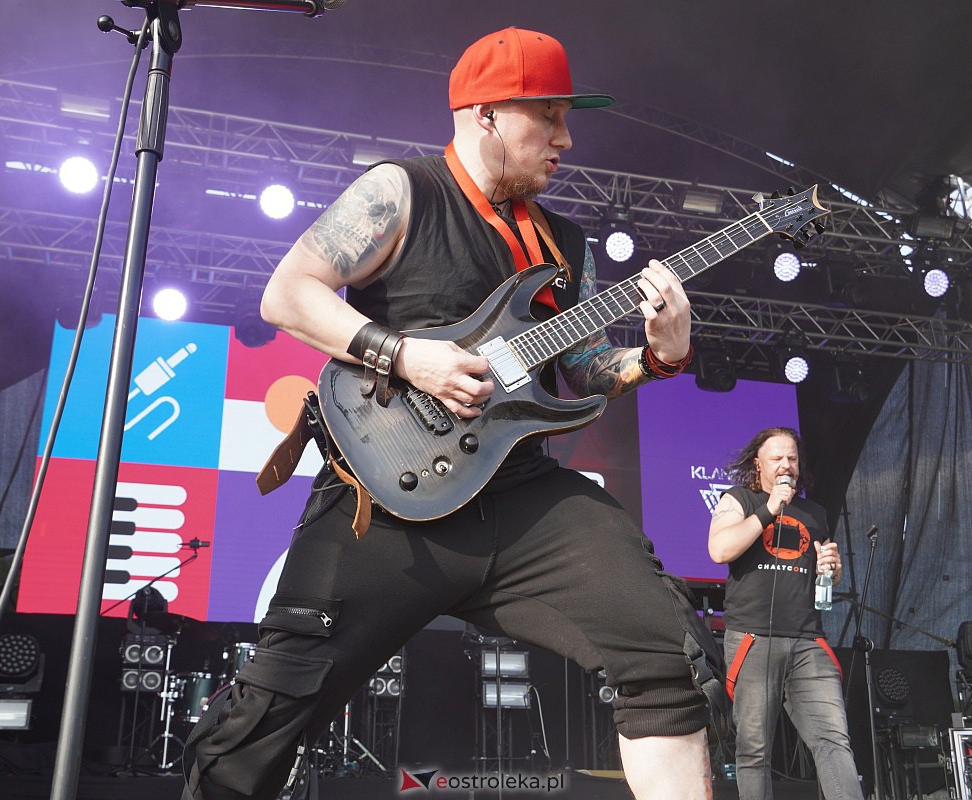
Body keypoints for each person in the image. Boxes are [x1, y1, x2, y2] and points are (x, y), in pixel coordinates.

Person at [182, 27, 719, 800]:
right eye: (549, 117)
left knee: (670, 654)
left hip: (521, 496)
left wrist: (659, 355)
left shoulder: (567, 243)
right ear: (487, 112)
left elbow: (584, 371)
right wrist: (407, 356)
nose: (566, 139)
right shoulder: (400, 191)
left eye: (567, 120)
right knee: (261, 720)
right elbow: (287, 295)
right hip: (386, 497)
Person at [706, 427, 864, 800]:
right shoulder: (739, 500)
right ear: (758, 464)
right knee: (754, 747)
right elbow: (720, 550)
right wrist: (769, 509)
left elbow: (824, 578)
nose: (785, 465)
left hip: (808, 639)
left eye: (791, 458)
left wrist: (831, 570)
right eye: (776, 458)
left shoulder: (814, 513)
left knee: (833, 739)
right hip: (754, 637)